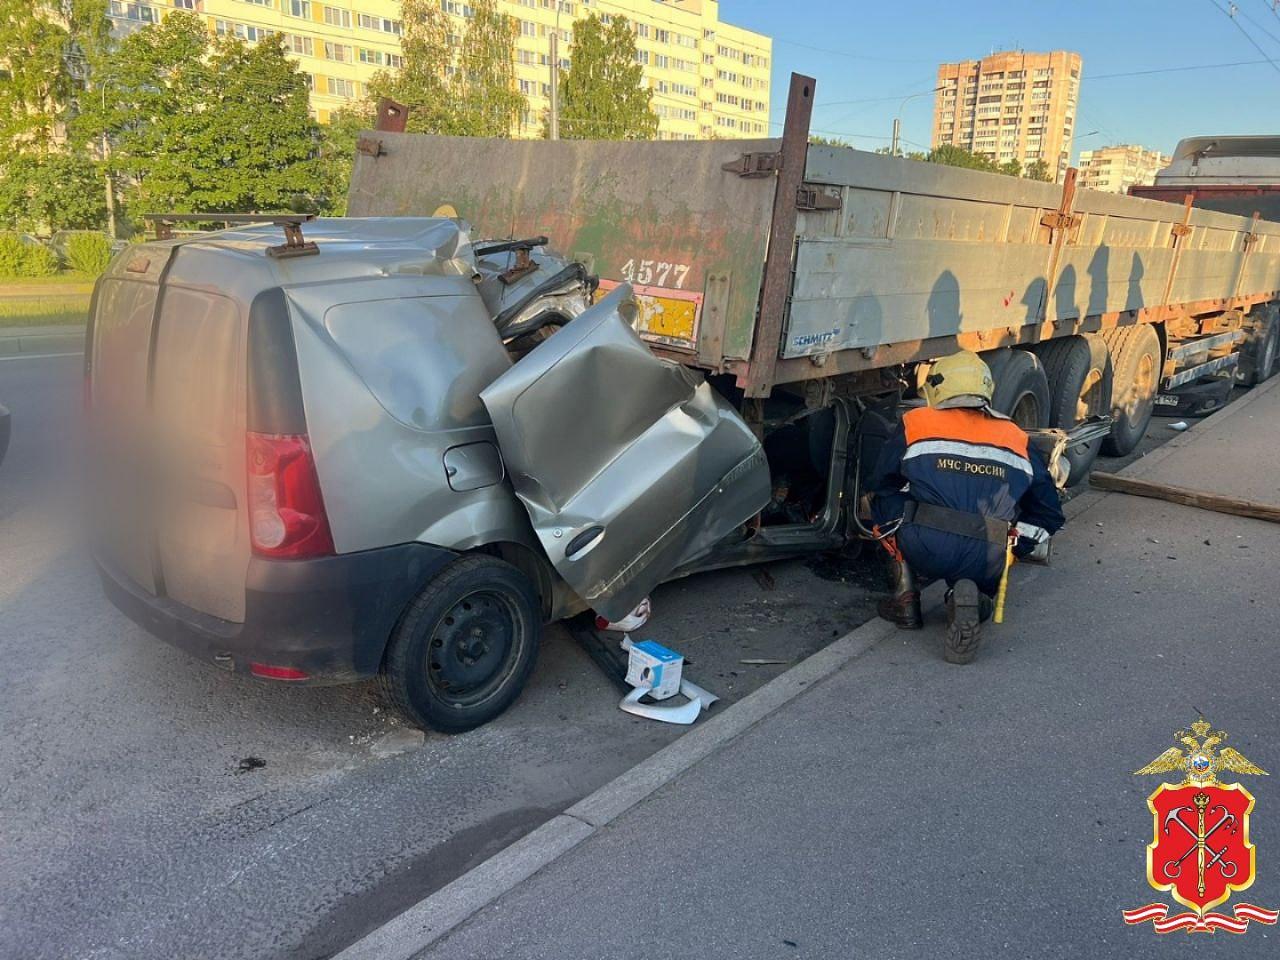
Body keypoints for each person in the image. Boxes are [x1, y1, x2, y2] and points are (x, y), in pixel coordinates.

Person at [867, 350, 1065, 664]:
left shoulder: (916, 423)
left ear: (937, 389)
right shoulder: (1015, 437)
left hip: (923, 546)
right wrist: (1014, 546)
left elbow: (881, 481)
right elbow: (1049, 514)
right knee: (1004, 524)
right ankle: (970, 595)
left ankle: (905, 597)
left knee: (883, 500)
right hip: (988, 556)